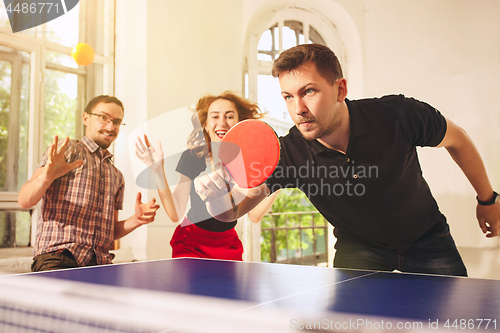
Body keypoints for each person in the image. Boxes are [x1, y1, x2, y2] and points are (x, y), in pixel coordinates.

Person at [198, 44, 500, 276]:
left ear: (340, 89)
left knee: (463, 323)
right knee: (346, 325)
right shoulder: (288, 152)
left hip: (427, 236)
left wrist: (488, 199)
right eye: (288, 97)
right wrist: (214, 199)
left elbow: (457, 138)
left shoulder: (398, 115)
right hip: (360, 247)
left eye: (309, 91)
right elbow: (235, 209)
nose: (298, 108)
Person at [18, 95, 160, 272]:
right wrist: (46, 177)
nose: (110, 126)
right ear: (86, 118)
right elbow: (24, 201)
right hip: (58, 257)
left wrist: (137, 219)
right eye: (103, 118)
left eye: (116, 122)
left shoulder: (116, 175)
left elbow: (109, 233)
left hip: (99, 263)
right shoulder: (67, 150)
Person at [135, 91, 279, 260]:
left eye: (230, 116)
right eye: (215, 116)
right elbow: (175, 213)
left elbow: (254, 215)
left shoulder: (246, 163)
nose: (222, 123)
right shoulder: (192, 157)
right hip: (191, 243)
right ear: (205, 123)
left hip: (228, 244)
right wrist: (157, 170)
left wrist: (277, 184)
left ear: (239, 122)